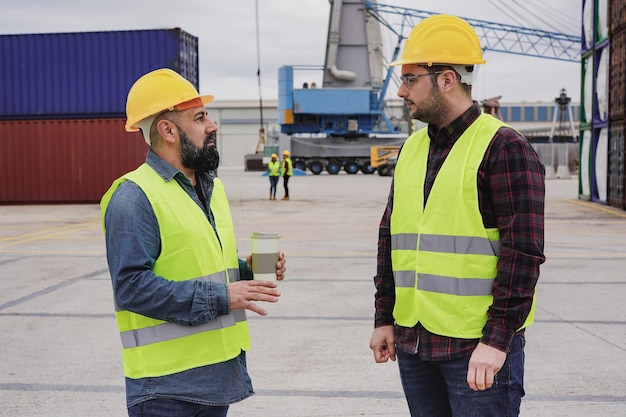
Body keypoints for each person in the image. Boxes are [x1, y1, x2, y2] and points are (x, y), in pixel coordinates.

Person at [368, 14, 545, 417]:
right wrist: (384, 317)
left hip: (475, 349)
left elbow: (523, 254)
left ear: (446, 79)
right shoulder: (411, 149)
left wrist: (497, 341)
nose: (400, 90)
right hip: (413, 342)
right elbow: (389, 237)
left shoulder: (504, 148)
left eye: (410, 79)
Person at [100, 68, 287, 417]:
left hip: (216, 377)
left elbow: (199, 265)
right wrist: (225, 296)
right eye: (200, 118)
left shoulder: (209, 188)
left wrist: (247, 270)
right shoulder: (134, 197)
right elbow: (131, 287)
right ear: (167, 130)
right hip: (166, 389)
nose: (212, 126)